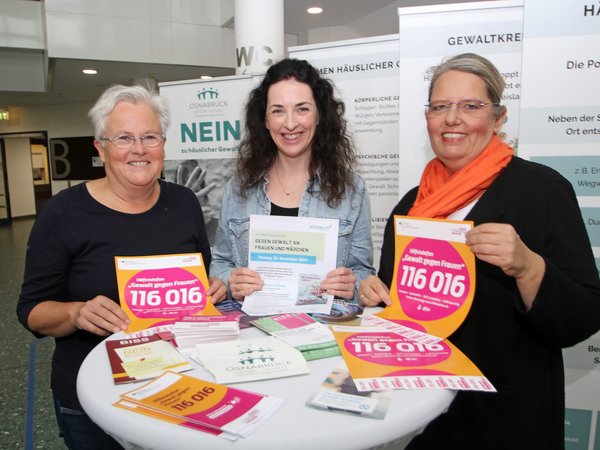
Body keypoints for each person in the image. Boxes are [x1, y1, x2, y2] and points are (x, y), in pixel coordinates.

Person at [359, 53, 600, 449]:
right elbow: (395, 304)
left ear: (498, 118)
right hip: (423, 417)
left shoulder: (542, 191)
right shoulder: (410, 205)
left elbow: (583, 318)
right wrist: (376, 297)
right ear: (428, 118)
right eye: (440, 107)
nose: (452, 118)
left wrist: (529, 268)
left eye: (470, 106)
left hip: (506, 422)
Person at [16, 84, 226, 450]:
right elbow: (31, 311)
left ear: (163, 143)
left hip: (181, 385)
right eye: (124, 138)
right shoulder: (63, 213)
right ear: (100, 147)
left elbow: (199, 279)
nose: (139, 149)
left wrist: (212, 289)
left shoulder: (185, 203)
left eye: (149, 136)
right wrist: (77, 312)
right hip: (94, 396)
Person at [210, 58, 375, 303]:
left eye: (302, 109)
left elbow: (363, 274)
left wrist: (354, 284)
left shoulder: (351, 190)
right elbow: (221, 263)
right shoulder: (238, 188)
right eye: (278, 110)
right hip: (252, 333)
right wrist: (230, 281)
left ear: (319, 115)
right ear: (265, 121)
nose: (290, 123)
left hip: (323, 333)